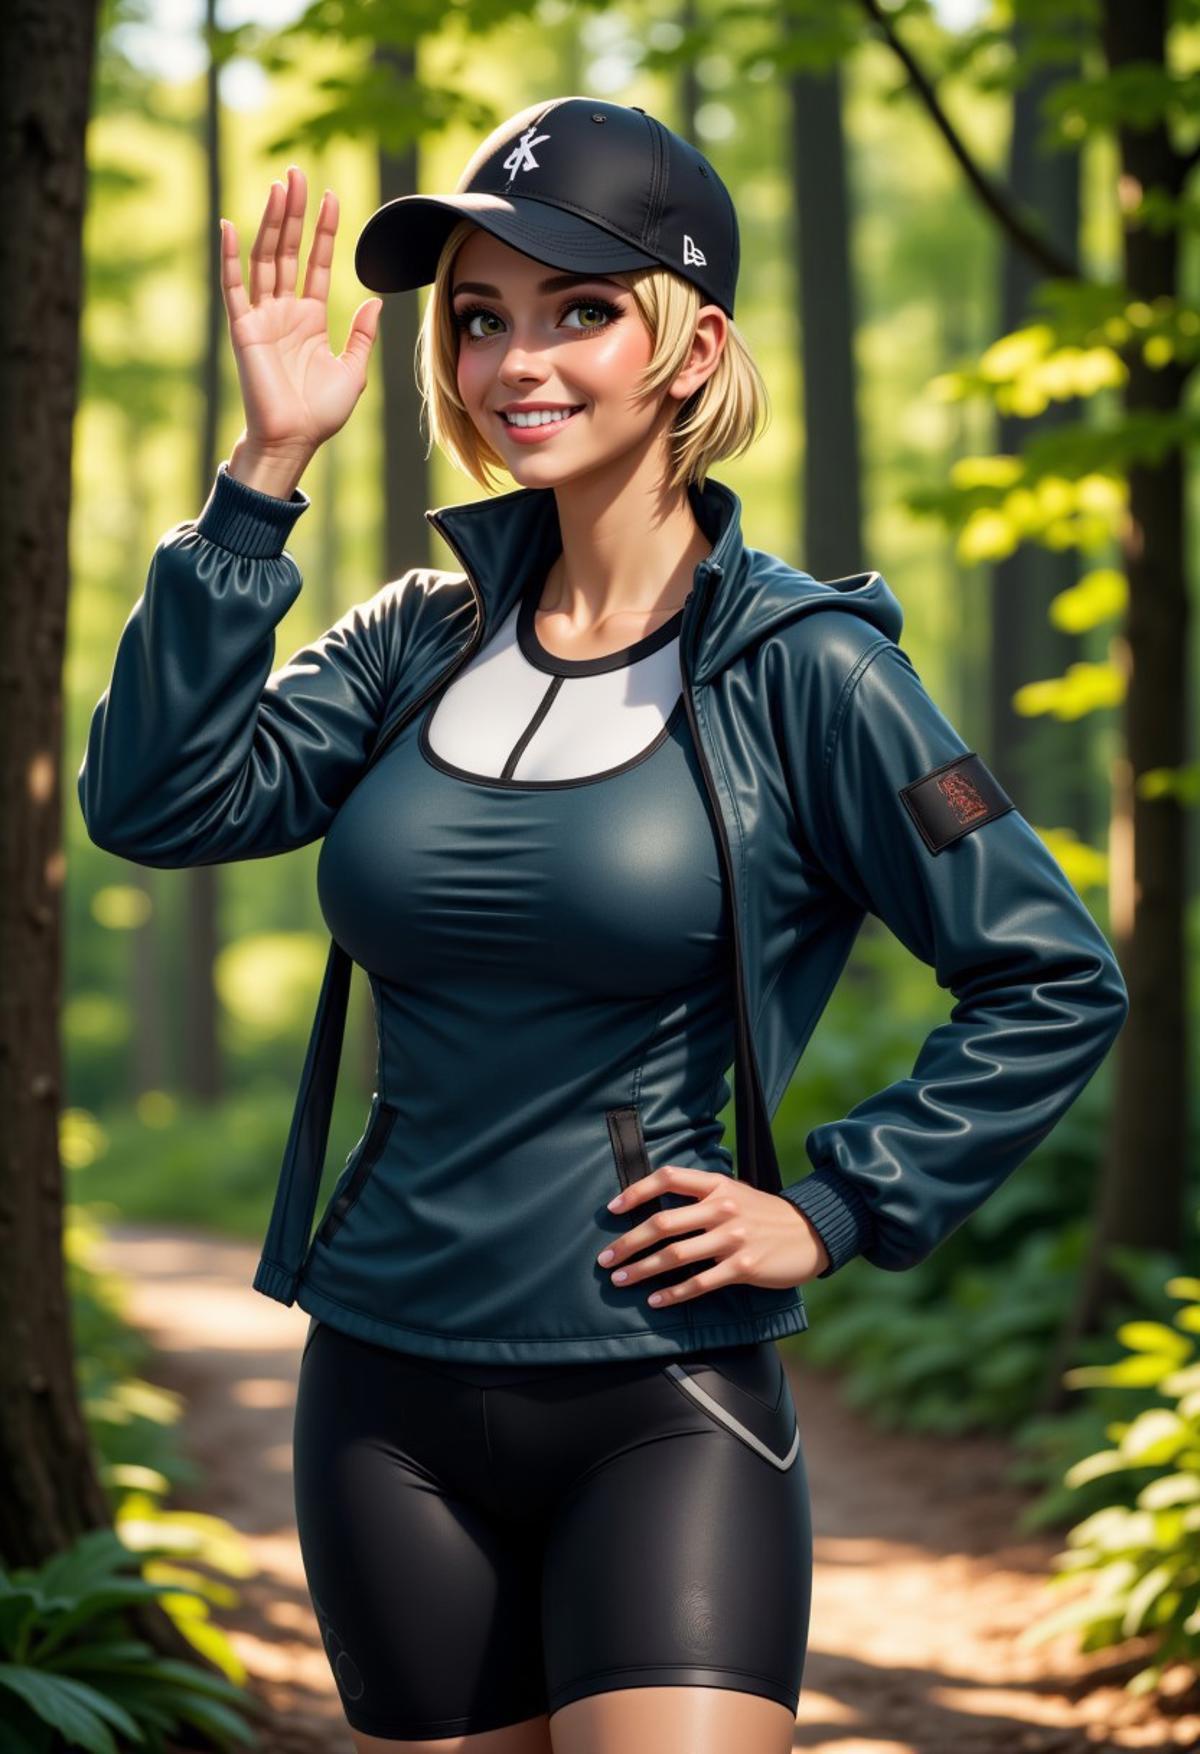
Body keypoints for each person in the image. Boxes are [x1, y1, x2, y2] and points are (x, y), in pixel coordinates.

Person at [77, 96, 1129, 1754]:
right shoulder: (415, 638)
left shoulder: (812, 671)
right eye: (480, 318)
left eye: (579, 311)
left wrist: (843, 1203)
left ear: (691, 347)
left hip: (668, 1396)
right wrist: (260, 477)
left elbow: (1051, 973)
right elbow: (157, 803)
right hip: (380, 1396)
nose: (517, 363)